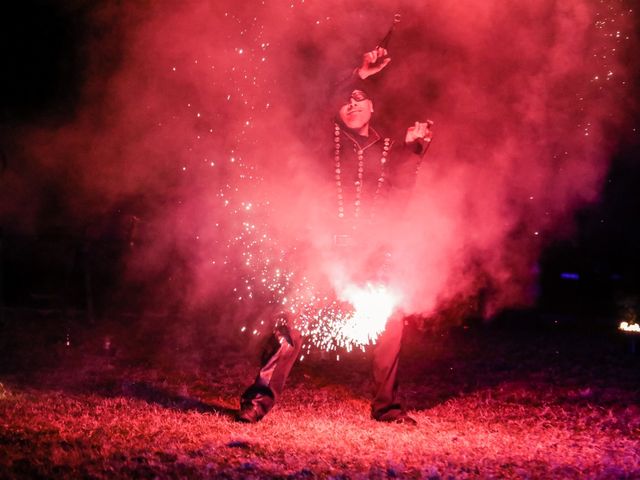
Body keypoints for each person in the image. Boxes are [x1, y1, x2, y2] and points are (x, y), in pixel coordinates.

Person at [237, 46, 433, 425]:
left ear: (374, 107)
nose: (353, 102)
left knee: (392, 319)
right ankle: (258, 400)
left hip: (369, 254)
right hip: (324, 252)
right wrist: (359, 73)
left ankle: (387, 407)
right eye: (346, 100)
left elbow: (399, 197)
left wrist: (414, 153)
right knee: (291, 321)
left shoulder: (389, 148)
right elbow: (315, 102)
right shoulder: (323, 137)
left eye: (360, 98)